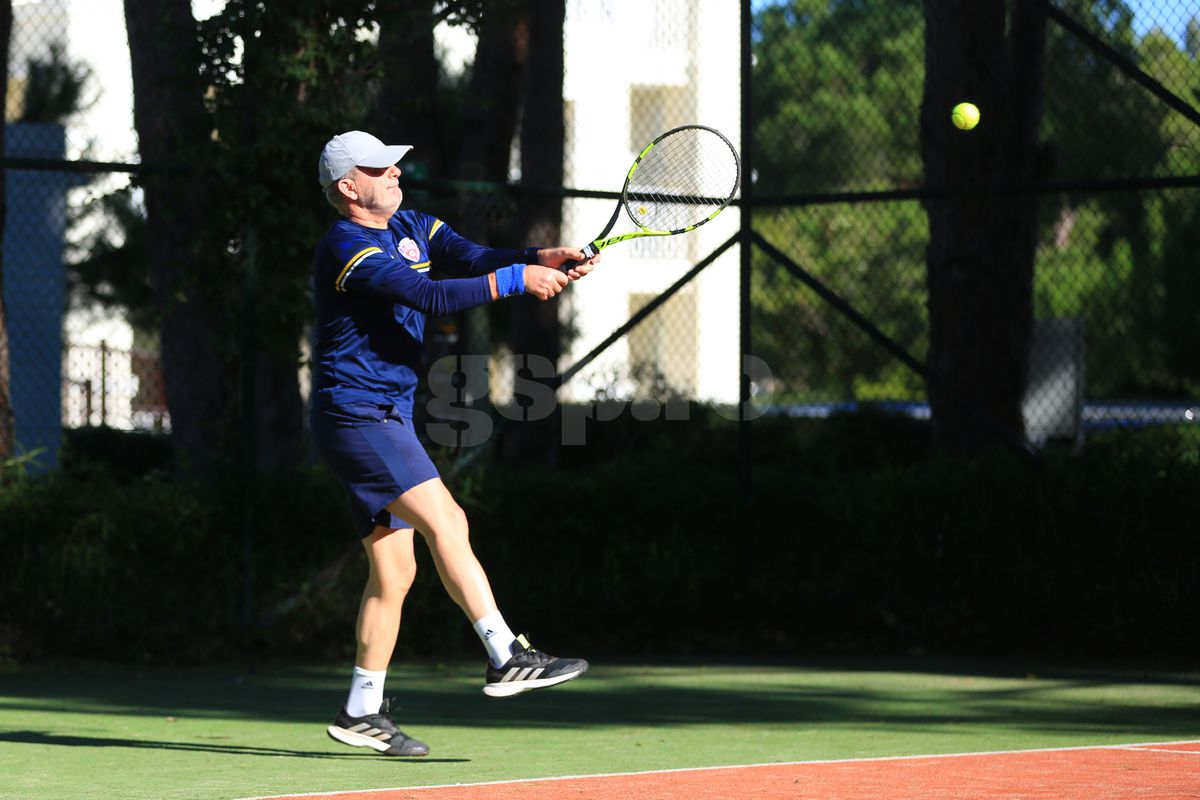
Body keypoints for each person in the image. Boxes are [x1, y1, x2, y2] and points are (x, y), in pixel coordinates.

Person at [310, 131, 598, 757]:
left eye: (394, 163)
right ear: (347, 187)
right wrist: (520, 281)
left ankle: (361, 709)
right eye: (377, 168)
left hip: (384, 413)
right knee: (449, 520)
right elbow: (430, 294)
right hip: (357, 415)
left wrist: (538, 256)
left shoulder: (414, 224)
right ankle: (505, 654)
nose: (394, 173)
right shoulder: (345, 245)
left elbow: (469, 258)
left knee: (395, 570)